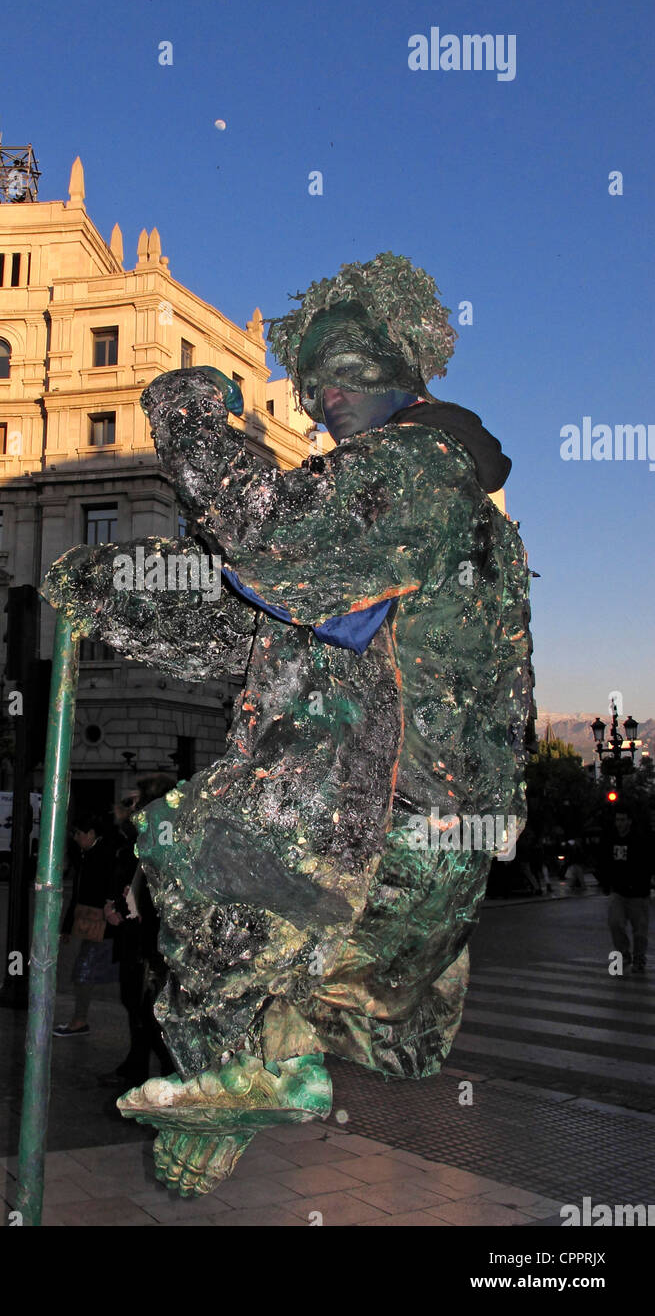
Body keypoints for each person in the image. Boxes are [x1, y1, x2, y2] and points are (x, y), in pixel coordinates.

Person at [43, 252, 534, 1193]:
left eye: (343, 377)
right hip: (404, 869)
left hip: (377, 826)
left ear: (402, 370)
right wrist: (112, 585)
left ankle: (249, 1066)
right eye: (309, 387)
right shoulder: (399, 508)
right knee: (254, 945)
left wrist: (187, 413)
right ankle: (263, 1068)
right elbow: (263, 617)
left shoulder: (417, 471)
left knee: (196, 849)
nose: (319, 403)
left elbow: (275, 551)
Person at [98, 776, 176, 1087]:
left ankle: (170, 1069)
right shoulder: (150, 834)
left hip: (149, 940)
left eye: (137, 801)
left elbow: (152, 874)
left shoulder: (160, 833)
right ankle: (138, 1064)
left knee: (146, 1008)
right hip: (142, 935)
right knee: (137, 1005)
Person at [53, 814, 122, 1037]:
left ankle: (79, 1020)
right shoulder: (90, 855)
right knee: (86, 970)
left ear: (91, 834)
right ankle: (78, 1019)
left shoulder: (99, 856)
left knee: (83, 971)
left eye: (78, 834)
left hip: (100, 924)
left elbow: (87, 891)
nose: (75, 838)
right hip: (95, 922)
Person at [597, 806, 653, 974]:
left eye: (622, 820)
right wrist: (606, 882)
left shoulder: (639, 840)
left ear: (629, 821)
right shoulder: (611, 839)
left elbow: (648, 861)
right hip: (619, 891)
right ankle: (624, 953)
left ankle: (639, 957)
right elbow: (604, 861)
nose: (619, 824)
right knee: (615, 923)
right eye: (617, 820)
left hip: (638, 892)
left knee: (640, 930)